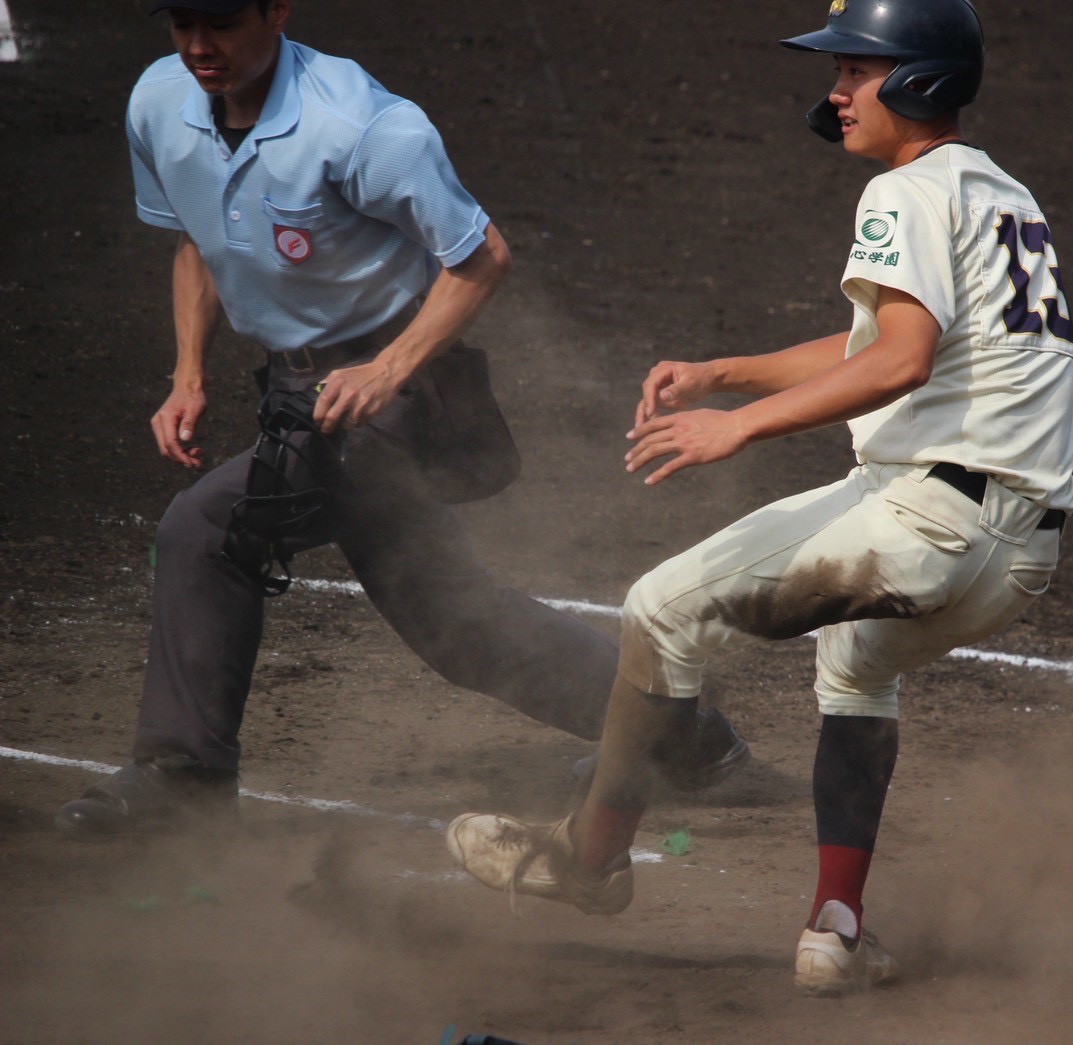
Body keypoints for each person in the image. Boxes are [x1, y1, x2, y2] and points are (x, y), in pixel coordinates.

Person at [445, 0, 1073, 996]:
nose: (833, 93)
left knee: (657, 610)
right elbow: (887, 344)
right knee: (858, 665)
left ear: (919, 80)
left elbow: (902, 360)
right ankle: (835, 931)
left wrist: (734, 427)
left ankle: (589, 859)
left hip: (929, 520)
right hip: (1017, 550)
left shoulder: (903, 194)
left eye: (854, 72)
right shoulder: (997, 192)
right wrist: (725, 372)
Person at [54, 0, 748, 839]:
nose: (200, 46)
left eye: (224, 23)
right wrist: (188, 375)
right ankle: (687, 741)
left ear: (277, 11)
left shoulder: (363, 127)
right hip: (296, 391)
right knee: (455, 621)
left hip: (406, 392)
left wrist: (387, 368)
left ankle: (183, 780)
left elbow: (481, 254)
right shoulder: (159, 102)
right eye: (182, 24)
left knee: (207, 526)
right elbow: (201, 239)